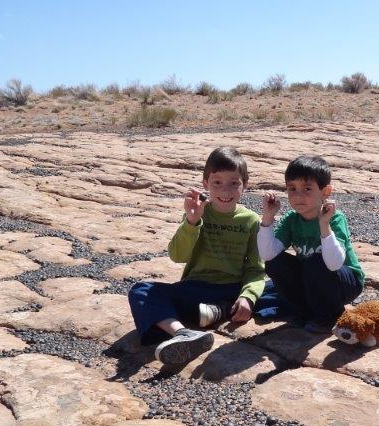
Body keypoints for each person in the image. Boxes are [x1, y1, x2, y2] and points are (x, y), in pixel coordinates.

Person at [127, 146, 265, 364]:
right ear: (205, 184)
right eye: (217, 182)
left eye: (234, 183)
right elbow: (177, 255)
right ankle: (183, 334)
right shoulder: (198, 212)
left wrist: (248, 296)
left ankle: (220, 310)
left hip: (232, 288)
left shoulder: (251, 221)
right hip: (196, 288)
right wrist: (191, 222)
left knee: (277, 288)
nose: (225, 191)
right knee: (141, 290)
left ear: (245, 185)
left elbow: (256, 269)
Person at [257, 154, 364, 333]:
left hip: (344, 282)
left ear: (325, 192)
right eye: (292, 188)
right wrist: (268, 217)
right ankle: (302, 311)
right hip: (311, 279)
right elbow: (267, 254)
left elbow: (334, 263)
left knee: (316, 261)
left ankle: (328, 315)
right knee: (275, 262)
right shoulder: (292, 219)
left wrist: (324, 225)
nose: (298, 196)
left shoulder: (335, 218)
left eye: (307, 189)